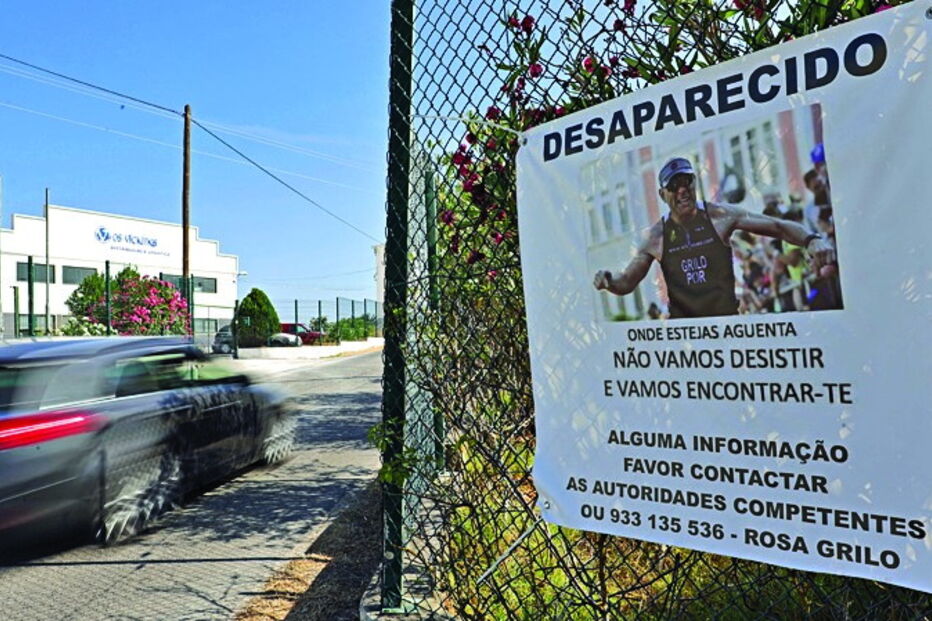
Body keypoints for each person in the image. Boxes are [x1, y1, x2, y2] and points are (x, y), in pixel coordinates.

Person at [593, 157, 836, 319]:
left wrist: (812, 239)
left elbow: (777, 226)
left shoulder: (720, 215)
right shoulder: (657, 236)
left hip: (728, 327)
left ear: (694, 183)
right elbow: (627, 281)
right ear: (662, 194)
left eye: (686, 182)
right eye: (674, 185)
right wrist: (609, 281)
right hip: (689, 334)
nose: (682, 190)